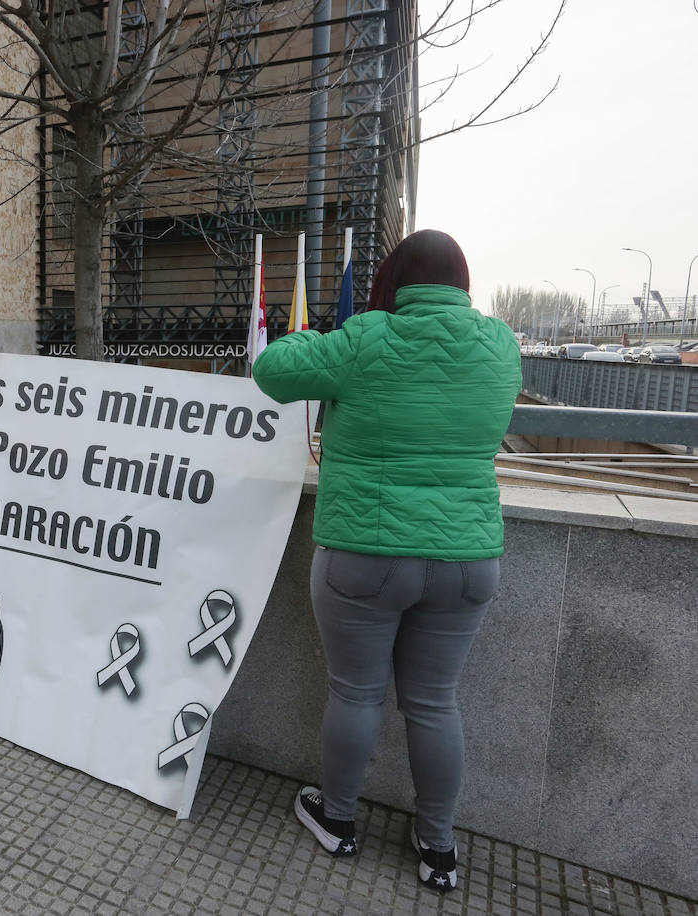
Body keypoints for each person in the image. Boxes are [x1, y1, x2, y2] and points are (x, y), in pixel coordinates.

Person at [251, 230, 520, 893]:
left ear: (395, 280)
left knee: (357, 692)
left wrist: (323, 335)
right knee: (433, 703)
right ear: (462, 281)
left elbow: (272, 370)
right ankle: (437, 849)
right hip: (465, 561)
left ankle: (337, 821)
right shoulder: (502, 344)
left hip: (364, 556)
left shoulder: (367, 338)